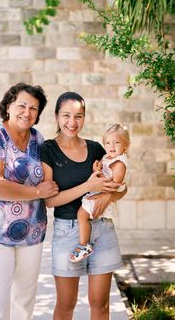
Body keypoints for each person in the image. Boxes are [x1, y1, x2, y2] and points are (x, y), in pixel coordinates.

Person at [0, 82, 59, 320]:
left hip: (32, 234)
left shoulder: (38, 139)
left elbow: (50, 178)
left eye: (34, 108)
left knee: (24, 304)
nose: (27, 112)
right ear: (8, 106)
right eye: (22, 104)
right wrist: (37, 192)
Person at [40, 91, 127, 320]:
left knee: (100, 305)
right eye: (66, 115)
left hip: (102, 228)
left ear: (84, 117)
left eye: (79, 116)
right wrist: (87, 185)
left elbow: (121, 187)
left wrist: (108, 197)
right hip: (68, 230)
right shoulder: (48, 150)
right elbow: (49, 201)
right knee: (66, 305)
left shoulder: (97, 148)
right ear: (57, 116)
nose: (72, 122)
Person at [70, 123, 130, 263]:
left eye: (116, 142)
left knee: (81, 215)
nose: (111, 146)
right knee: (84, 215)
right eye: (108, 142)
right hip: (99, 192)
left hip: (105, 194)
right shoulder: (108, 158)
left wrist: (98, 175)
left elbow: (114, 184)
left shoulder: (120, 163)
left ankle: (84, 246)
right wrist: (97, 170)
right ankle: (87, 242)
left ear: (125, 145)